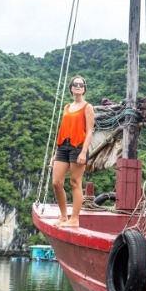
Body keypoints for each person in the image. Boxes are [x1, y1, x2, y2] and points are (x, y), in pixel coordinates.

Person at [51, 76, 95, 227]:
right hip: (63, 146)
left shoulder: (87, 107)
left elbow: (89, 131)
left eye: (81, 85)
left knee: (75, 182)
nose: (78, 86)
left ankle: (74, 219)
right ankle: (63, 216)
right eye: (75, 84)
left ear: (84, 89)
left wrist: (83, 152)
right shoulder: (67, 107)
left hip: (78, 146)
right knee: (56, 182)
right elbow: (63, 129)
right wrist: (55, 153)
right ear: (71, 88)